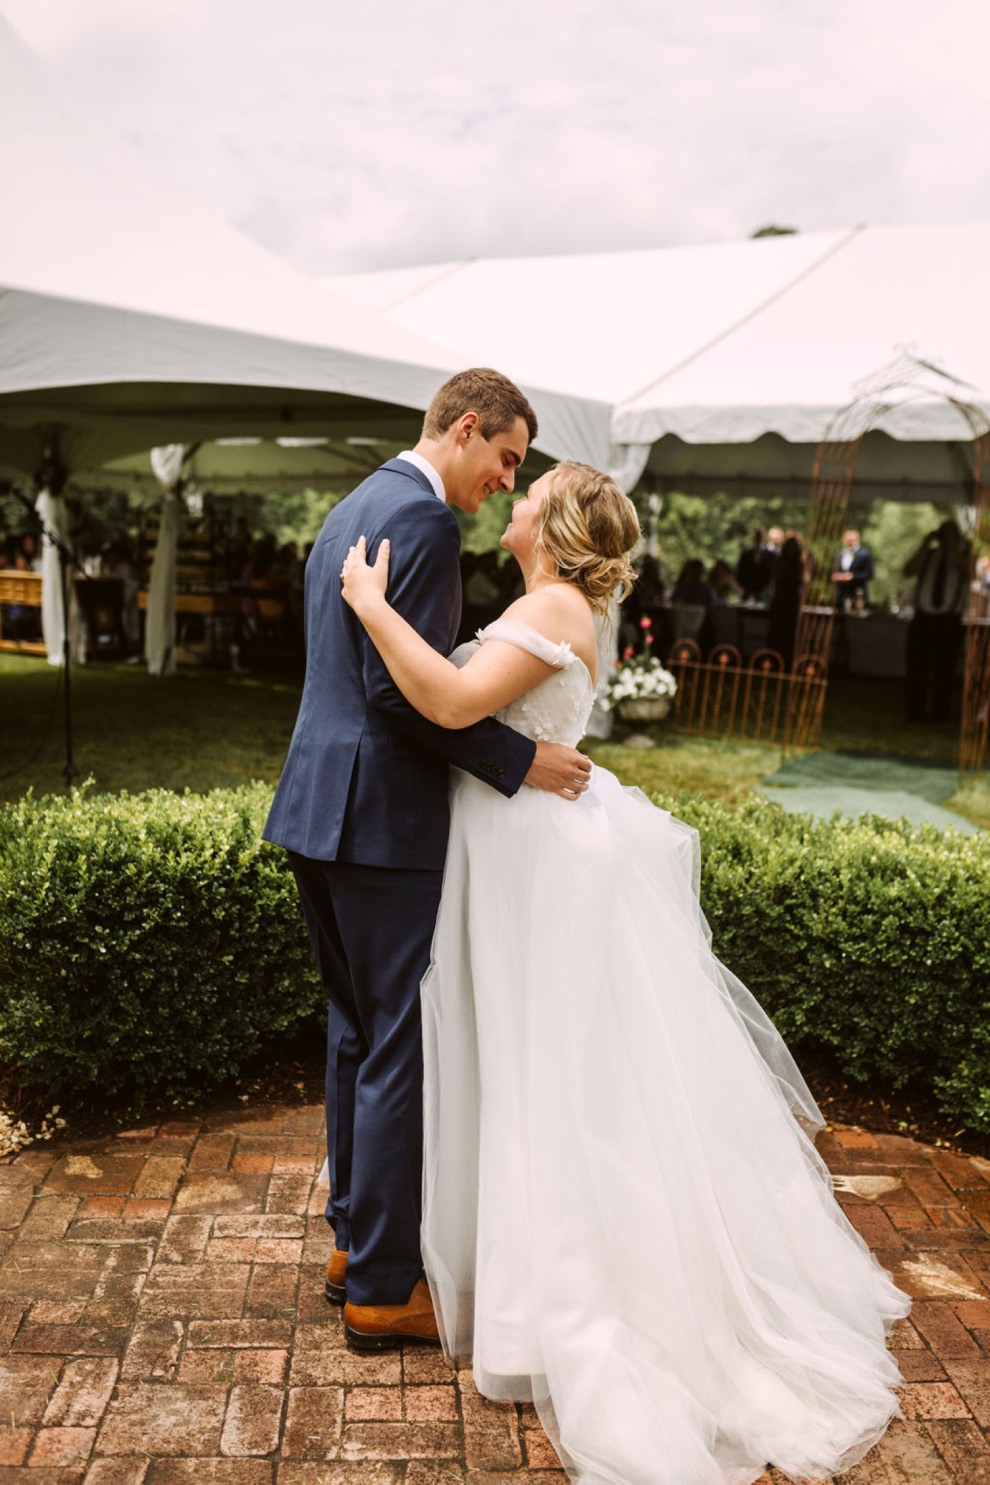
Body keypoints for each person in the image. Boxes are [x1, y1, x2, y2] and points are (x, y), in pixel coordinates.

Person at [340, 460, 908, 1485]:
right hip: (522, 851)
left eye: (527, 489)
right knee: (527, 1066)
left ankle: (551, 1306)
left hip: (536, 868)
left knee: (544, 1077)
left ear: (551, 527)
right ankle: (505, 1282)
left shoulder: (552, 604)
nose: (510, 499)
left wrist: (374, 608)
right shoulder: (544, 599)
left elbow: (454, 699)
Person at [263, 369, 592, 1350]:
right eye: (505, 457)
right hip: (384, 822)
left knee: (355, 1033)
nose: (505, 479)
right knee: (395, 1039)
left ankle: (351, 1244)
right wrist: (518, 758)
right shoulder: (430, 524)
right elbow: (409, 694)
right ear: (465, 427)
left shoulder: (355, 505)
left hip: (316, 806)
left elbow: (339, 669)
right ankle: (380, 1288)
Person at [903, 519, 970, 722]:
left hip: (950, 621)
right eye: (943, 533)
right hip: (924, 619)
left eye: (950, 534)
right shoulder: (929, 555)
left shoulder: (964, 555)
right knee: (917, 666)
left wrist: (954, 549)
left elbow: (972, 573)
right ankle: (914, 712)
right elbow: (907, 570)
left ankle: (940, 714)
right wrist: (925, 544)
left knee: (945, 668)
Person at [766, 533, 809, 669]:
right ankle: (775, 661)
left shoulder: (798, 564)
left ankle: (786, 662)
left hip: (790, 603)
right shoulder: (782, 563)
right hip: (783, 602)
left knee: (788, 634)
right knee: (779, 633)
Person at [832, 528, 874, 611]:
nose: (850, 542)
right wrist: (837, 576)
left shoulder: (865, 554)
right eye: (848, 540)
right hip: (841, 595)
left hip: (857, 594)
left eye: (852, 540)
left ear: (857, 540)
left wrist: (853, 576)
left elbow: (869, 573)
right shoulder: (840, 554)